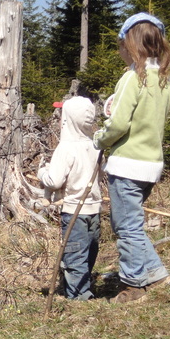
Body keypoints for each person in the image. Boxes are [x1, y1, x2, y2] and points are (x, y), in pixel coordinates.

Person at [93, 12, 170, 304]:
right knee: (133, 224)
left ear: (130, 44)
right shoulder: (163, 82)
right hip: (151, 164)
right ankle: (158, 274)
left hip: (127, 164)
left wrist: (99, 139)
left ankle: (133, 284)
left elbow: (118, 124)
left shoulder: (132, 78)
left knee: (125, 227)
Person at [39, 96, 102, 300]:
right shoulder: (95, 145)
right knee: (89, 251)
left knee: (74, 254)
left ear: (67, 120)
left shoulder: (65, 148)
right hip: (94, 209)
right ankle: (84, 286)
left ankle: (79, 296)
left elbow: (55, 181)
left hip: (74, 210)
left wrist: (42, 173)